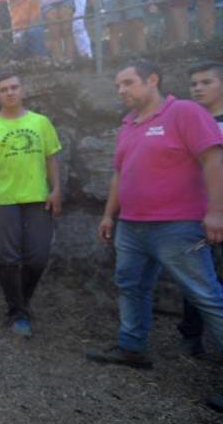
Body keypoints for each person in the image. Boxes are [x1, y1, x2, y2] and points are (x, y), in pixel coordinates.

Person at [85, 60, 223, 412]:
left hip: (177, 226)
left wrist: (216, 212)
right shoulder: (128, 124)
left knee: (207, 296)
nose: (122, 91)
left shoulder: (185, 113)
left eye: (128, 83)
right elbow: (119, 174)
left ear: (152, 80)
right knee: (130, 285)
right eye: (118, 85)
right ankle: (133, 346)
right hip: (131, 225)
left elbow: (213, 159)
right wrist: (108, 214)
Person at [0, 73, 62, 337]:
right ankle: (17, 312)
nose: (9, 92)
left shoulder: (41, 123)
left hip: (37, 198)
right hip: (1, 200)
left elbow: (52, 158)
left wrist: (56, 190)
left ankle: (21, 300)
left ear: (23, 90)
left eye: (14, 87)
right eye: (3, 89)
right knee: (8, 256)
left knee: (38, 257)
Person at [179, 61, 223, 357]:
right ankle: (191, 335)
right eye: (194, 83)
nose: (198, 88)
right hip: (192, 209)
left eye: (206, 82)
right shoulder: (186, 123)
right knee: (192, 274)